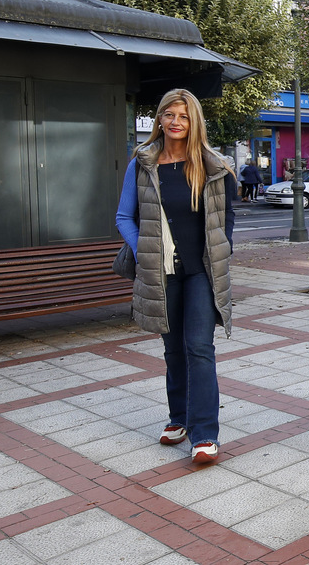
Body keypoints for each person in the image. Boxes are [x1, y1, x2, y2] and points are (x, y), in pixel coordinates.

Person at [115, 88, 237, 465]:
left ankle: (204, 434)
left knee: (199, 347)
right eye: (169, 114)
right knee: (172, 350)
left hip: (201, 270)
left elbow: (226, 216)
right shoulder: (143, 163)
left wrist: (225, 246)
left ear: (193, 121)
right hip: (162, 270)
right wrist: (142, 249)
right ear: (160, 119)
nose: (176, 122)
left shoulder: (213, 165)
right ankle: (178, 418)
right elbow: (124, 217)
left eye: (183, 116)